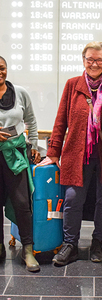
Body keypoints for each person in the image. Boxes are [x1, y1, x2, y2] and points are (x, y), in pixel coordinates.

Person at [40, 41, 102, 266]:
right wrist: (53, 152)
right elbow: (61, 121)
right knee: (72, 200)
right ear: (83, 60)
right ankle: (71, 245)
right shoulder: (73, 85)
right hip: (77, 154)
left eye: (99, 59)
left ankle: (97, 242)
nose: (94, 64)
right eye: (90, 59)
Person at [0, 56, 41, 272]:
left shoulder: (20, 92)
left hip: (15, 155)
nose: (0, 72)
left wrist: (33, 145)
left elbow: (31, 121)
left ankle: (28, 250)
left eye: (2, 68)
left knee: (22, 204)